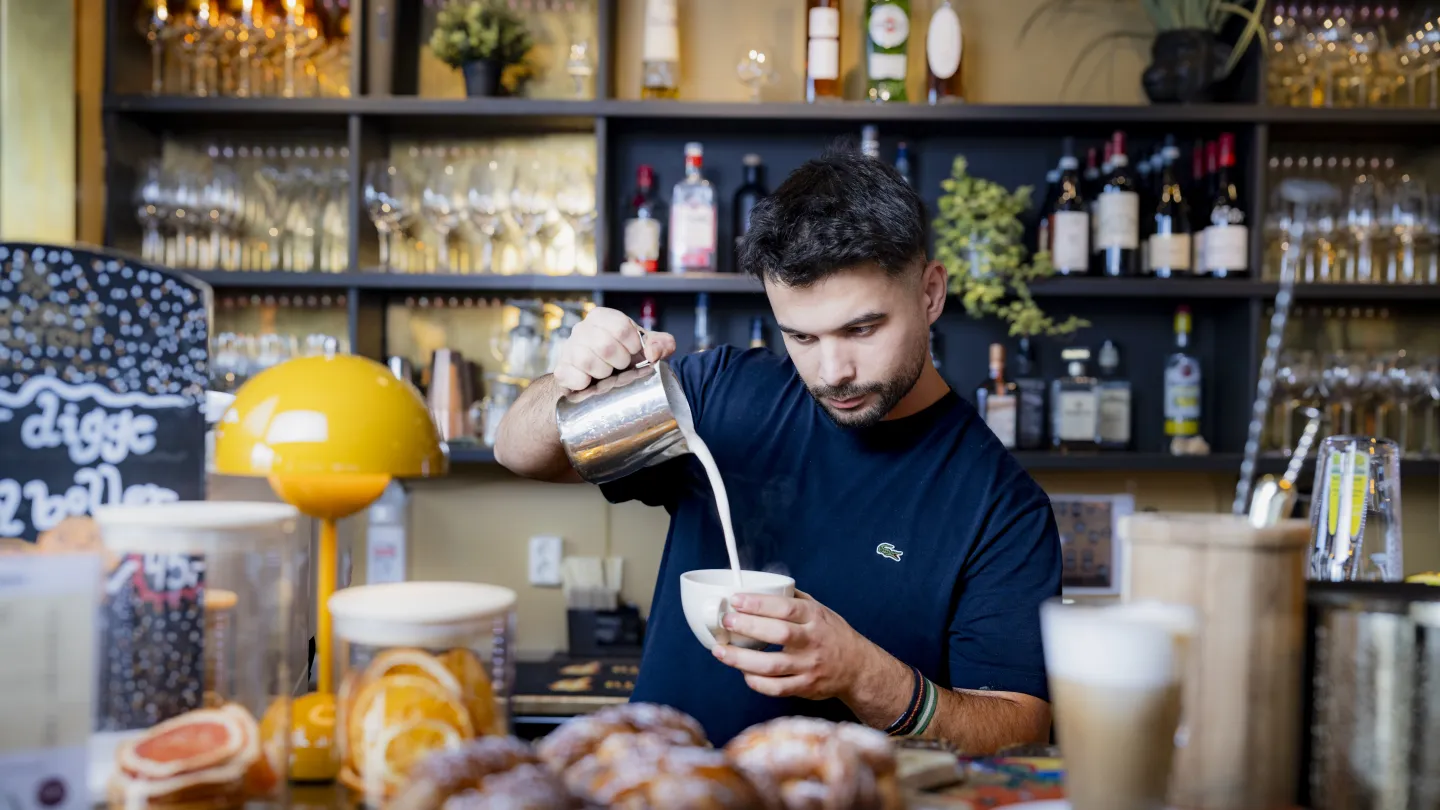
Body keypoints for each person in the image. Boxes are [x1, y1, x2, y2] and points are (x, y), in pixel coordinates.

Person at [495, 149, 1060, 750]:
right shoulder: (720, 395)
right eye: (802, 336)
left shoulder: (1000, 505)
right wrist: (578, 377)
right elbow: (519, 452)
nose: (833, 369)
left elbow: (1019, 729)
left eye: (862, 329)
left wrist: (864, 676)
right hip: (664, 787)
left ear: (930, 292)